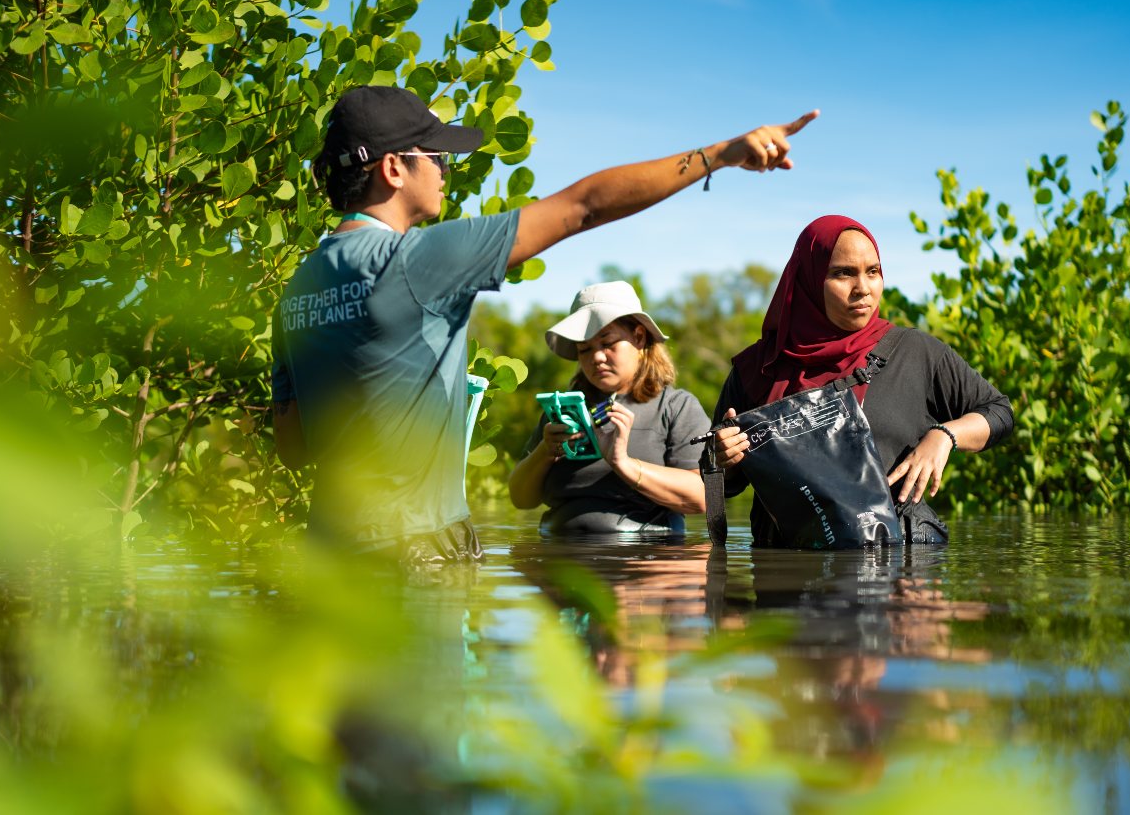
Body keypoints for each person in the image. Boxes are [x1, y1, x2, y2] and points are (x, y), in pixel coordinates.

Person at [270, 84, 818, 561]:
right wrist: (719, 154)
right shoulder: (415, 260)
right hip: (415, 550)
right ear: (394, 167)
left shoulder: (296, 291)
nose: (443, 170)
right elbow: (583, 207)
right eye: (435, 156)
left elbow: (294, 448)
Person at [712, 214, 1013, 544]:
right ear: (808, 280)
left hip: (900, 571)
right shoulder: (757, 369)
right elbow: (719, 488)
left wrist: (944, 436)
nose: (863, 289)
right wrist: (723, 458)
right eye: (843, 273)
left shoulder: (915, 351)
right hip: (786, 574)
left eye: (873, 272)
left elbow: (999, 412)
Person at [508, 281, 710, 535]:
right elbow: (521, 499)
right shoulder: (564, 411)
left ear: (639, 337)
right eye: (585, 349)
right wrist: (545, 451)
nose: (597, 357)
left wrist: (622, 463)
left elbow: (701, 497)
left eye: (608, 344)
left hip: (647, 560)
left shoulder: (676, 407)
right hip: (559, 561)